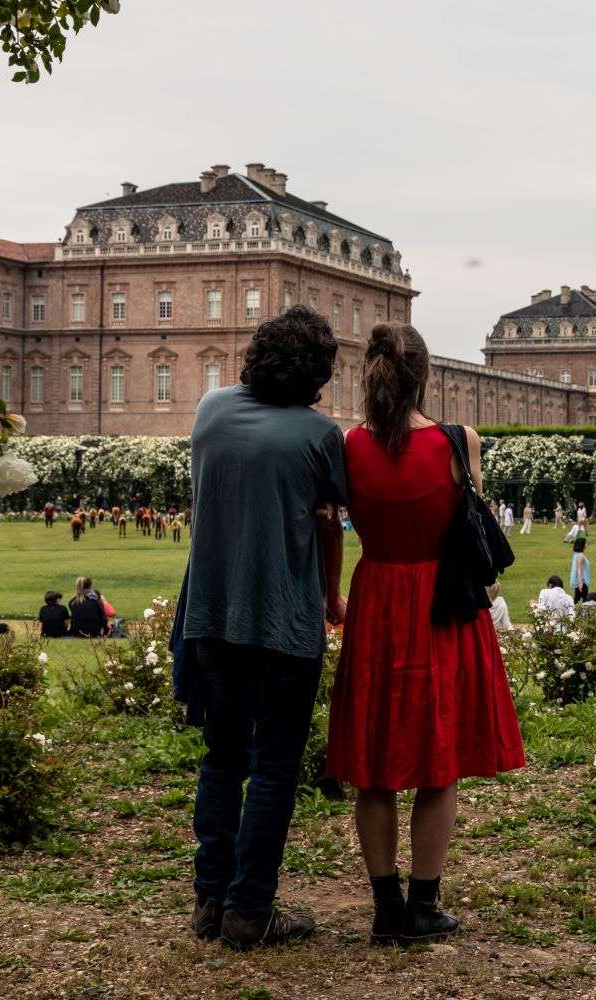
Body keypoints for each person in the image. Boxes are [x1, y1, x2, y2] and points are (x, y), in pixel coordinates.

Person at [324, 323, 525, 949]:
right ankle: (425, 902)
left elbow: (331, 525)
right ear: (426, 376)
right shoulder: (459, 441)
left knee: (374, 765)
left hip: (379, 597)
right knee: (439, 763)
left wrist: (333, 595)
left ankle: (385, 908)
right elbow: (468, 522)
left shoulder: (348, 445)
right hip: (443, 603)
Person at [176, 307, 351, 950]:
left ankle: (208, 901)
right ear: (318, 372)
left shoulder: (210, 409)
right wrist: (332, 597)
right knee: (275, 767)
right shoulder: (318, 434)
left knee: (221, 759)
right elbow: (331, 520)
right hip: (284, 621)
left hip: (213, 615)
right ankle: (249, 911)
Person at [569, 537, 591, 604]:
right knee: (585, 600)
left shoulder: (576, 554)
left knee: (577, 599)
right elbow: (579, 570)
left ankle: (572, 611)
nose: (586, 544)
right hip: (582, 581)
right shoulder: (580, 556)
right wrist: (581, 583)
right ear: (582, 545)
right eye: (585, 543)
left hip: (579, 581)